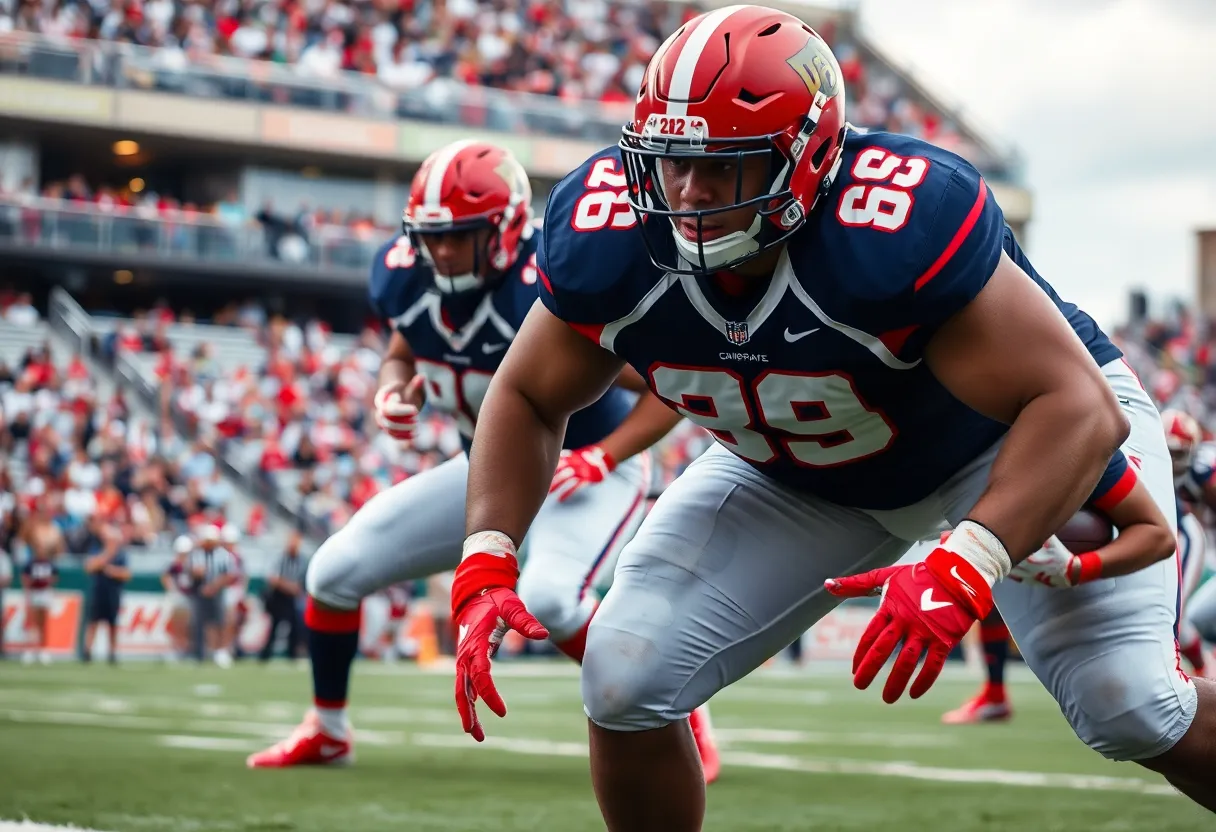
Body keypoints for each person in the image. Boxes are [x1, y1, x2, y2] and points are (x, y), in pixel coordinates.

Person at [447, 7, 1215, 827]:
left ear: (805, 161)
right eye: (671, 162)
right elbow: (526, 393)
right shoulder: (609, 235)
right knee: (624, 673)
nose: (689, 194)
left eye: (727, 168)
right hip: (799, 469)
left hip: (1001, 442)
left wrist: (969, 561)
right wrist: (487, 553)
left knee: (1125, 702)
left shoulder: (894, 225)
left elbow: (1076, 407)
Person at [247, 139, 719, 778]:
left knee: (552, 599)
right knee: (333, 570)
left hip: (582, 470)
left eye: (458, 236)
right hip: (491, 471)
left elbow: (672, 385)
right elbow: (404, 347)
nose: (439, 252)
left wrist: (605, 457)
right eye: (430, 236)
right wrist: (392, 386)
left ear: (503, 229)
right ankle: (327, 730)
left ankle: (681, 720)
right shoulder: (405, 278)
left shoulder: (544, 287)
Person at [943, 451, 1178, 722]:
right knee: (995, 588)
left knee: (1137, 693)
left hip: (1131, 518)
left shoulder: (1100, 438)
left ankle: (1186, 663)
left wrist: (1075, 569)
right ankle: (995, 695)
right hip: (1035, 486)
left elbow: (1160, 536)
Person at [1162, 409, 1216, 677]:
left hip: (1190, 538)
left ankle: (1203, 668)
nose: (1173, 461)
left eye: (1179, 453)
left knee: (1177, 610)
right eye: (1168, 452)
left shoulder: (1204, 471)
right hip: (1174, 539)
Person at [82, 521, 131, 664]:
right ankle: (87, 652)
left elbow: (126, 574)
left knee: (112, 624)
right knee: (93, 622)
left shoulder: (121, 555)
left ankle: (112, 653)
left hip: (113, 592)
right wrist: (107, 555)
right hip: (98, 591)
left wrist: (112, 571)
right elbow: (90, 567)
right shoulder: (98, 550)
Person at [259, 530, 308, 661]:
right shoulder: (279, 558)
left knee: (295, 626)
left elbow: (302, 581)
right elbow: (273, 578)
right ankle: (265, 655)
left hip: (292, 598)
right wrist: (289, 586)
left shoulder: (302, 560)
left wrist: (293, 588)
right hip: (278, 597)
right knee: (275, 625)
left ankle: (293, 654)